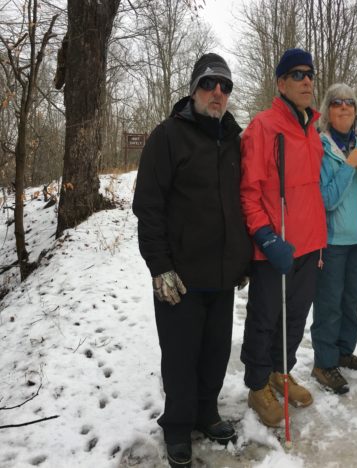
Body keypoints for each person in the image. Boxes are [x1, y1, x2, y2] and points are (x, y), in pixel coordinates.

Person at [133, 53, 250, 467]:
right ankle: (179, 427)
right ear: (193, 89)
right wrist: (159, 265)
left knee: (215, 351)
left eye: (225, 86)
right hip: (179, 277)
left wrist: (242, 259)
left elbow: (241, 203)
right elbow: (148, 206)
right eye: (208, 84)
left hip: (221, 274)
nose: (217, 93)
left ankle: (206, 413)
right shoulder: (168, 136)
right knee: (181, 356)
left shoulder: (234, 140)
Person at [239, 48, 326, 427]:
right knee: (265, 317)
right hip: (275, 245)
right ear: (281, 83)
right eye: (297, 74)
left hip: (310, 243)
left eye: (310, 74)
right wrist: (264, 235)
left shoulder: (313, 130)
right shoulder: (264, 127)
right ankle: (258, 383)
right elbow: (248, 191)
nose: (307, 81)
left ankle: (281, 371)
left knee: (295, 316)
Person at [309, 83, 357, 395]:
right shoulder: (320, 148)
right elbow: (326, 200)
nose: (344, 108)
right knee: (329, 303)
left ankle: (342, 351)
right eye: (337, 103)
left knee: (352, 300)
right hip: (333, 241)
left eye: (350, 103)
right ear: (328, 111)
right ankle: (324, 362)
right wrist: (349, 167)